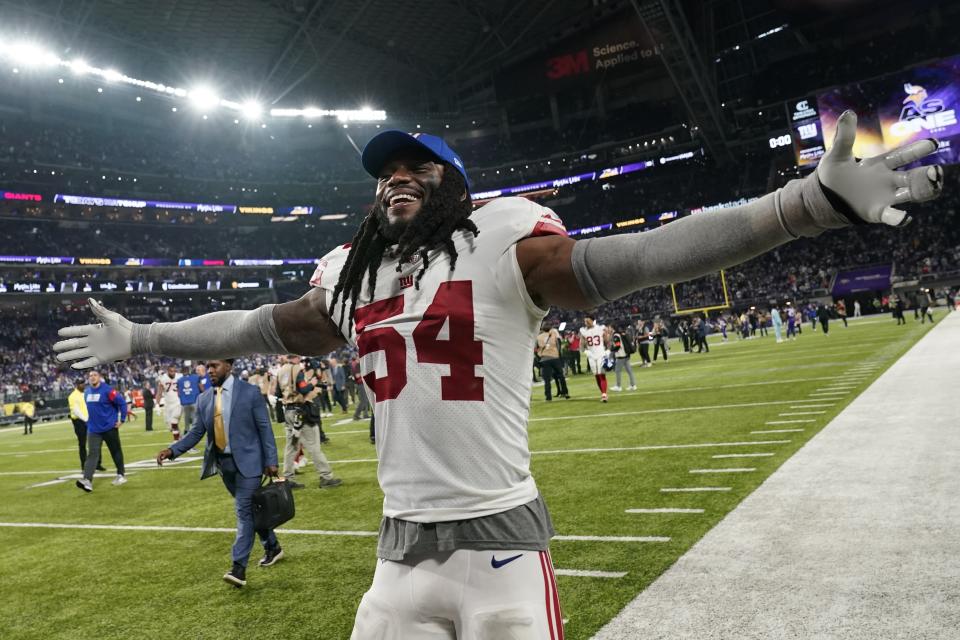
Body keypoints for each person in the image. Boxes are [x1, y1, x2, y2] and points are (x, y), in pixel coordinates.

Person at [54, 118, 945, 638]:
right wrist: (143, 334)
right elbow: (253, 327)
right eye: (386, 177)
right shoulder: (349, 273)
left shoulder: (504, 240)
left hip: (500, 554)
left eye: (418, 172)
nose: (398, 182)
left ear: (456, 192)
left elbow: (639, 254)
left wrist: (804, 205)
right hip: (397, 556)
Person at [155, 359, 284, 588]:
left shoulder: (249, 392)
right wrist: (172, 450)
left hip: (251, 463)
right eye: (208, 367)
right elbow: (196, 433)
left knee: (243, 511)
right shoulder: (204, 398)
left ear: (229, 366)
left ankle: (238, 567)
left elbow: (265, 427)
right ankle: (272, 547)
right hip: (226, 467)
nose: (210, 371)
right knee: (252, 510)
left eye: (215, 366)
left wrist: (271, 460)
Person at [278, 355, 341, 489]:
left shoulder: (281, 369)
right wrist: (312, 383)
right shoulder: (296, 369)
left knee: (291, 446)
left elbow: (278, 392)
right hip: (300, 412)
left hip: (288, 411)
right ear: (296, 356)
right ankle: (326, 476)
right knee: (313, 445)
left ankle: (288, 478)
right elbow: (303, 389)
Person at [76, 370, 127, 492]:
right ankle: (87, 481)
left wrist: (122, 419)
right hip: (93, 430)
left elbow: (122, 403)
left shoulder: (108, 390)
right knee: (92, 454)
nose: (92, 377)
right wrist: (88, 422)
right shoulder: (87, 392)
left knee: (115, 451)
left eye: (94, 375)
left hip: (109, 427)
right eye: (90, 376)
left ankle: (121, 474)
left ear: (99, 377)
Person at [69, 378, 104, 471]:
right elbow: (76, 411)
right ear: (77, 385)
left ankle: (97, 463)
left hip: (90, 419)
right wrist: (85, 419)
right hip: (80, 421)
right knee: (82, 444)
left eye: (83, 383)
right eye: (81, 384)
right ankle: (84, 465)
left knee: (97, 442)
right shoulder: (72, 396)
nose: (83, 385)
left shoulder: (87, 393)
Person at [535, 322, 569, 401]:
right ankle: (565, 393)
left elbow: (536, 349)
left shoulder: (538, 337)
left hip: (544, 359)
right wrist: (559, 357)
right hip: (554, 358)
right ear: (550, 328)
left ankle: (548, 397)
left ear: (542, 329)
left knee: (547, 380)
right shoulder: (554, 335)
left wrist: (539, 357)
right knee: (561, 376)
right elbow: (558, 347)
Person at [580, 313, 609, 402]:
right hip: (591, 355)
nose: (586, 322)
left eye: (587, 320)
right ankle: (603, 394)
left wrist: (608, 350)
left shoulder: (600, 328)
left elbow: (607, 340)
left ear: (593, 320)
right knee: (596, 375)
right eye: (585, 321)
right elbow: (581, 345)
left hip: (600, 353)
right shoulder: (583, 331)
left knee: (602, 374)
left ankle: (604, 394)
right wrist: (585, 351)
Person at [157, 364, 182, 441]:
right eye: (171, 371)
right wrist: (157, 405)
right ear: (168, 371)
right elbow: (159, 392)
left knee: (174, 422)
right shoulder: (163, 378)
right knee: (170, 426)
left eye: (174, 371)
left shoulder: (180, 376)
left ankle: (177, 441)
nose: (173, 373)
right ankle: (180, 438)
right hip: (168, 404)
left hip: (178, 402)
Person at [610, 324, 637, 391]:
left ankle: (618, 386)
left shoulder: (616, 335)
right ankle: (633, 385)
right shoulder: (621, 333)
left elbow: (618, 346)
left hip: (621, 355)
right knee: (629, 371)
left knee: (617, 371)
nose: (609, 329)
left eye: (609, 327)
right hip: (626, 354)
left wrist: (611, 349)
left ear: (612, 328)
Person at [177, 366, 201, 434]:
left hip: (185, 402)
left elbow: (178, 393)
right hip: (194, 400)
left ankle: (186, 430)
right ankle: (194, 430)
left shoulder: (179, 380)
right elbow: (201, 387)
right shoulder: (196, 377)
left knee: (186, 418)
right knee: (194, 417)